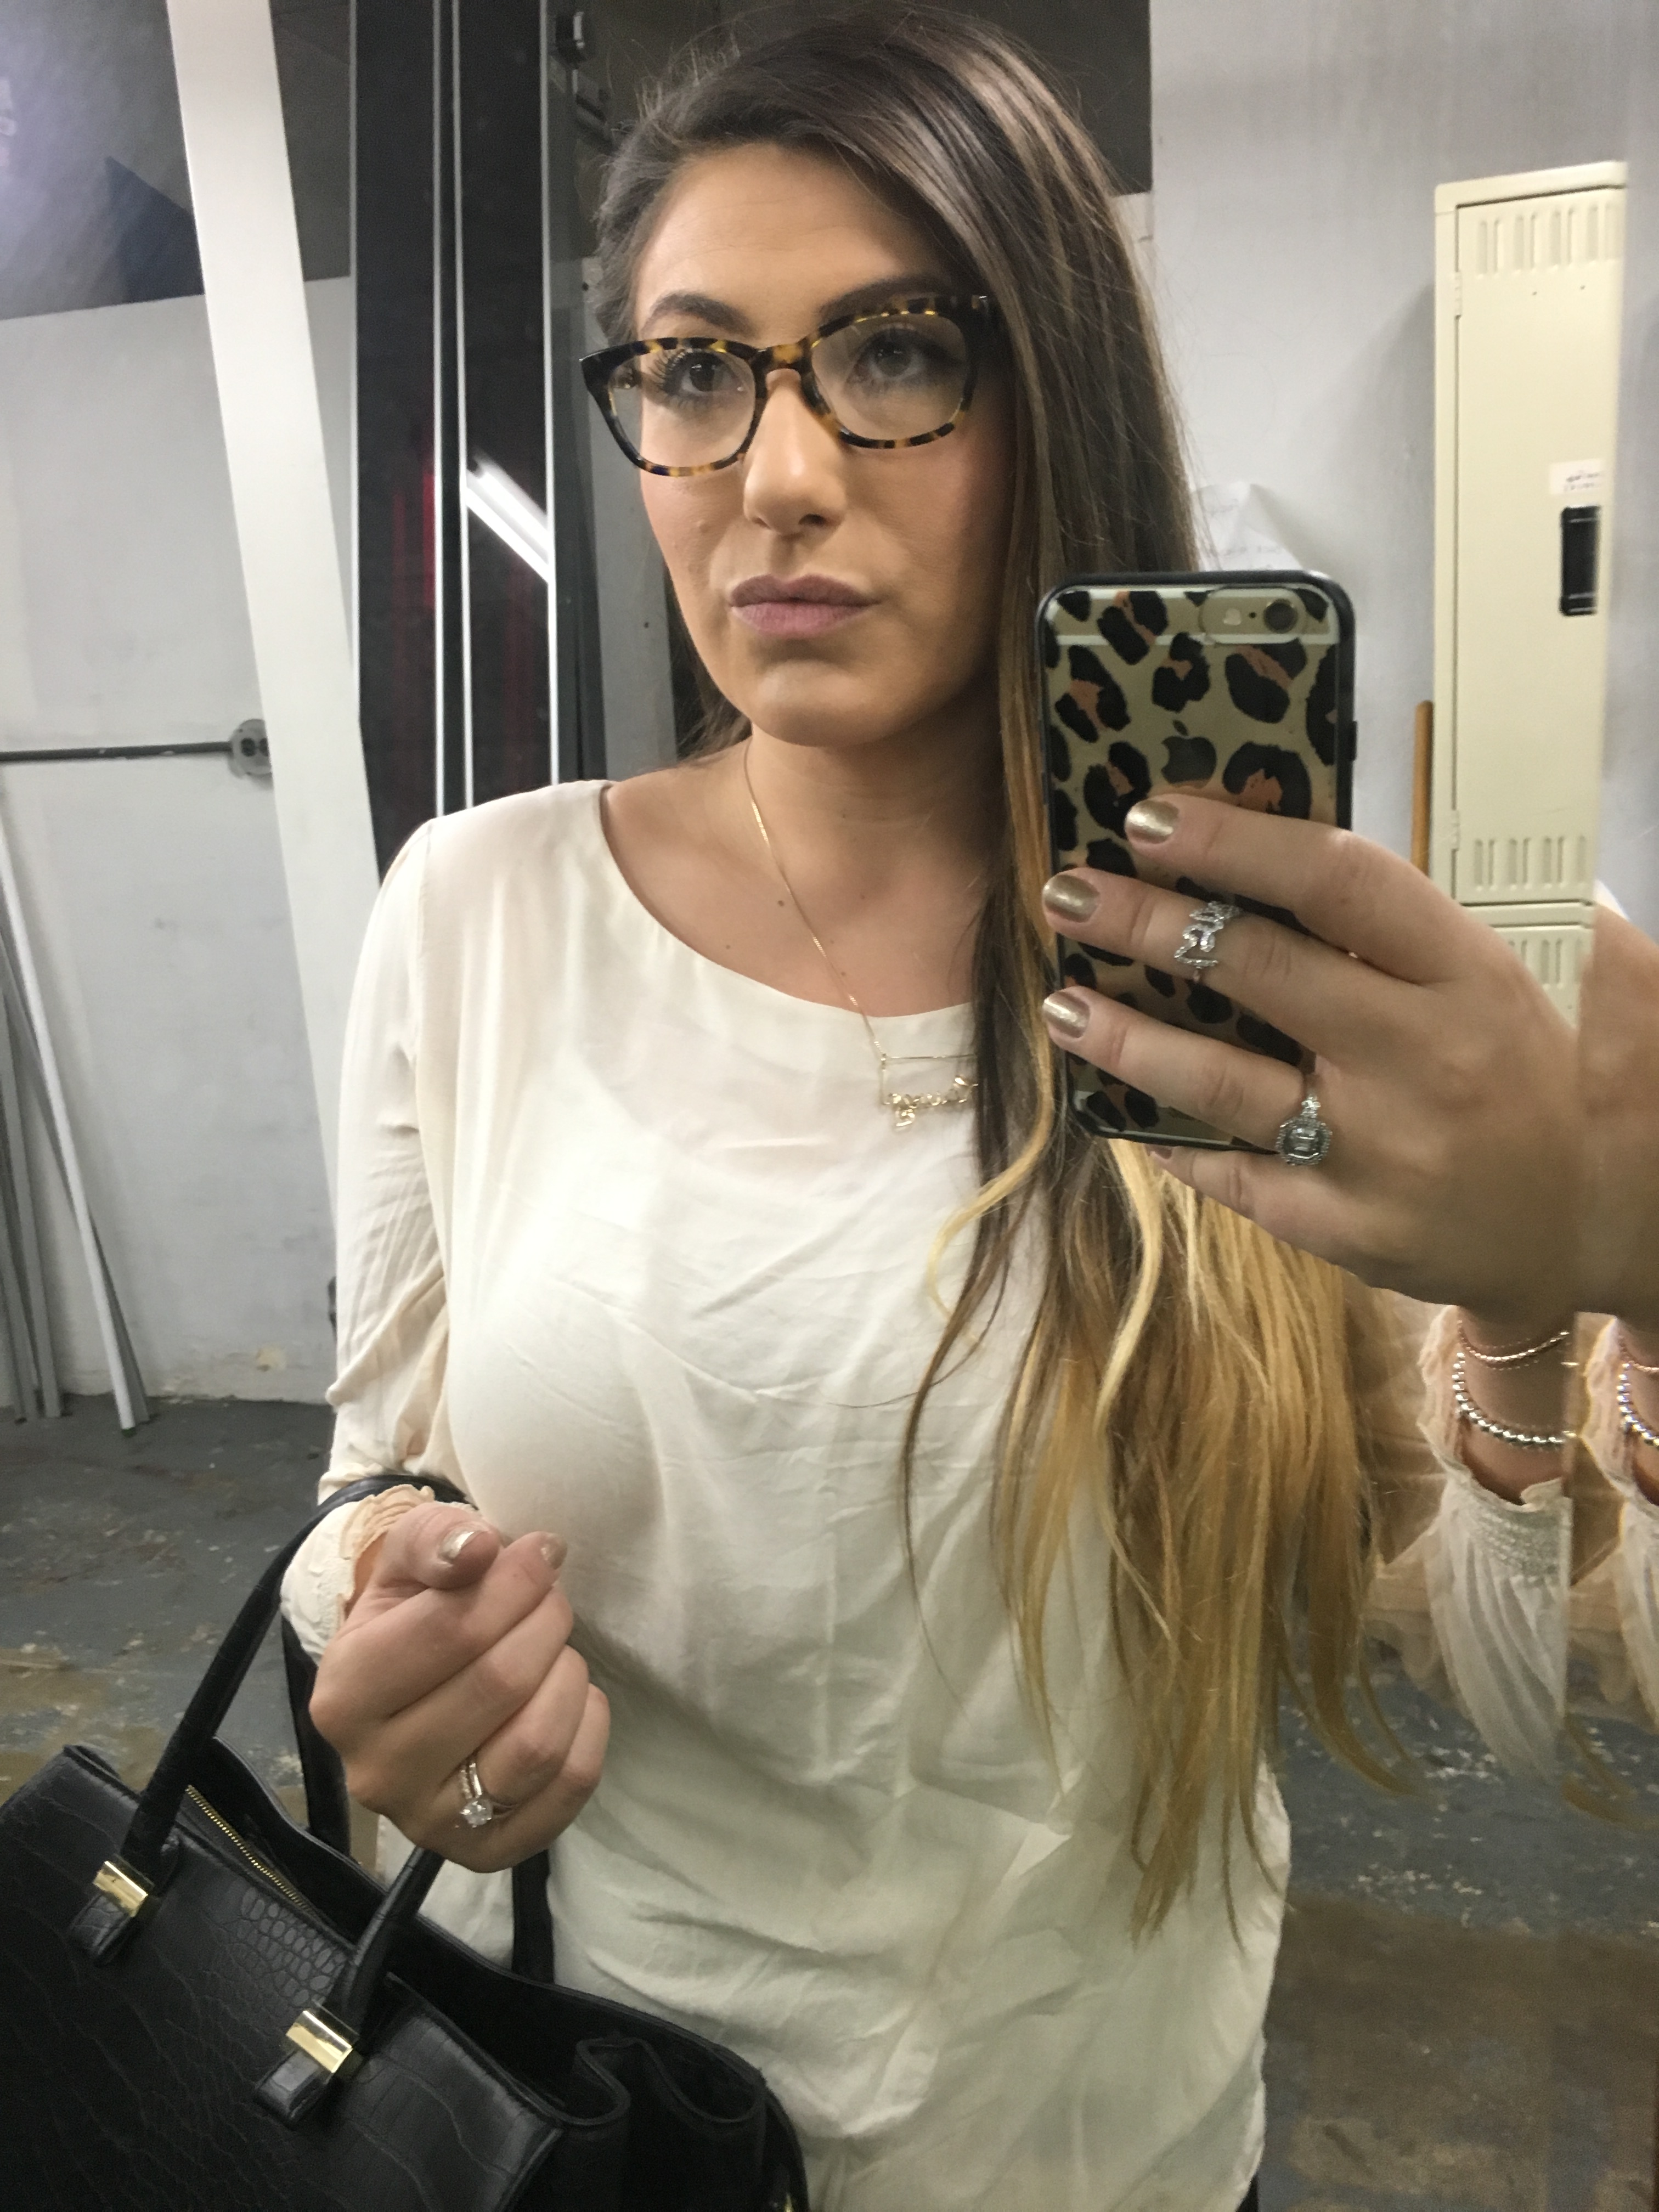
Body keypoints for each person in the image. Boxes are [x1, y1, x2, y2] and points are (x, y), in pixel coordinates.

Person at [280, 12, 1617, 2207]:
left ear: (1051, 392)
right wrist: (388, 1651)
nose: (776, 475)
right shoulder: (480, 910)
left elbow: (1497, 1701)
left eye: (894, 354)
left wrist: (1542, 1294)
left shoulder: (1265, 975)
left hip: (1121, 2150)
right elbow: (368, 1475)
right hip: (622, 2121)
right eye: (694, 372)